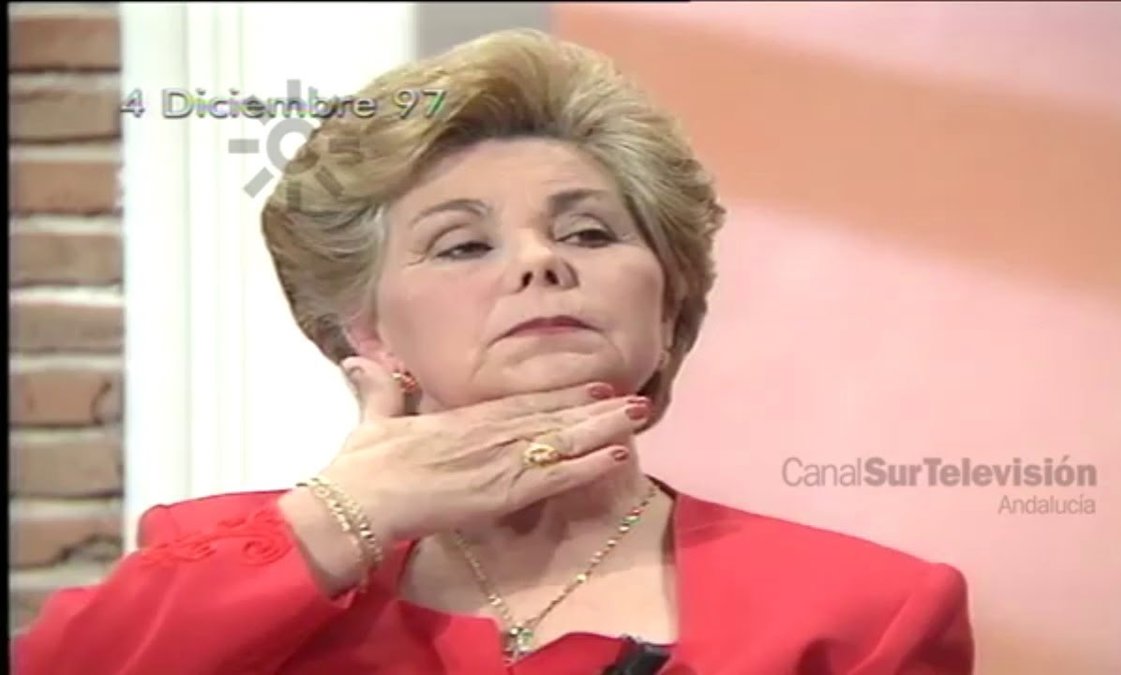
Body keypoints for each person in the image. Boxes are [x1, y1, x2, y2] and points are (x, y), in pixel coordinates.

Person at [14, 29, 973, 675]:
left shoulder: (867, 611)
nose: (540, 263)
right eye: (463, 244)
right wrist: (348, 514)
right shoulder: (228, 564)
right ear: (365, 329)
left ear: (670, 299)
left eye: (590, 232)